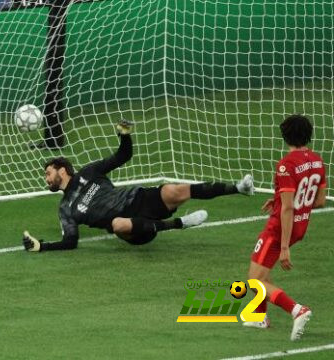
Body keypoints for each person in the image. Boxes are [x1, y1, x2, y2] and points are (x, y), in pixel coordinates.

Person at [22, 119, 254, 252]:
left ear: (62, 170)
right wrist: (41, 246)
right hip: (132, 230)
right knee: (117, 224)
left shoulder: (89, 172)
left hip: (137, 199)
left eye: (48, 173)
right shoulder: (64, 208)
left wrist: (124, 135)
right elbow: (70, 241)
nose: (46, 178)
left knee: (175, 189)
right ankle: (179, 223)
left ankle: (238, 188)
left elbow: (123, 156)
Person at [242, 115, 327, 341]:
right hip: (300, 227)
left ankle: (297, 310)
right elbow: (319, 201)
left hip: (280, 228)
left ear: (285, 136)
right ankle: (259, 317)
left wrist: (284, 247)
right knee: (262, 274)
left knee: (254, 281)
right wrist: (279, 200)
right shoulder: (318, 161)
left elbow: (288, 208)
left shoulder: (285, 165)